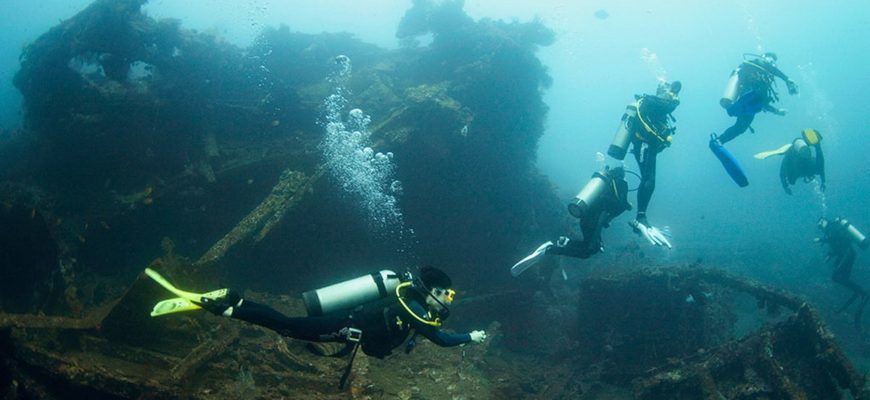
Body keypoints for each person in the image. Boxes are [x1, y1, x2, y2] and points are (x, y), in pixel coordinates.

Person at [147, 266, 486, 388]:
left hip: (348, 326)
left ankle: (233, 301)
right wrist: (471, 337)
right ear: (433, 291)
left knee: (287, 323)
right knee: (287, 326)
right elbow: (440, 339)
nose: (449, 300)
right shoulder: (413, 307)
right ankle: (223, 306)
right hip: (343, 327)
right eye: (447, 293)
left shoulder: (411, 304)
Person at [510, 166, 632, 278]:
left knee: (591, 247)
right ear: (622, 175)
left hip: (585, 217)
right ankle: (549, 249)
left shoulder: (604, 182)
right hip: (595, 220)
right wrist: (627, 205)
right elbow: (620, 205)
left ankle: (564, 242)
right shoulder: (621, 183)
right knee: (588, 250)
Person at [616, 80, 681, 247]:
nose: (671, 94)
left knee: (648, 179)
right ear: (661, 91)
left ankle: (640, 217)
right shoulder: (651, 100)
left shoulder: (655, 102)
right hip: (643, 145)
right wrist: (674, 97)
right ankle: (640, 218)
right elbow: (668, 106)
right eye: (667, 90)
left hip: (646, 146)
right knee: (649, 179)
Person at [715, 52, 799, 145]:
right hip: (749, 94)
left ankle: (719, 140)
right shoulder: (757, 63)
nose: (772, 61)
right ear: (764, 57)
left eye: (774, 61)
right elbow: (770, 68)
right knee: (761, 94)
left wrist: (777, 111)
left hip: (751, 106)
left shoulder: (765, 77)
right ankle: (735, 109)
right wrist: (786, 79)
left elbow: (763, 104)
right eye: (771, 58)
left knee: (741, 128)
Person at [817, 217, 870, 328]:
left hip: (848, 254)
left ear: (825, 221)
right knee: (840, 277)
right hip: (847, 254)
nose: (821, 227)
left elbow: (839, 239)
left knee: (836, 276)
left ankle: (860, 291)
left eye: (821, 224)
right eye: (819, 226)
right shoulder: (831, 231)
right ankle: (859, 291)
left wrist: (823, 240)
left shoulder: (833, 227)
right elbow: (837, 246)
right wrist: (829, 255)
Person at [779, 128, 825, 194]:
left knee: (792, 180)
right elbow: (782, 172)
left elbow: (821, 165)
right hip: (799, 152)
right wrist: (785, 187)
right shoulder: (811, 168)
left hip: (800, 152)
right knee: (792, 180)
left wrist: (823, 181)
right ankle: (793, 149)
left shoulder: (812, 168)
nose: (811, 178)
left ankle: (815, 145)